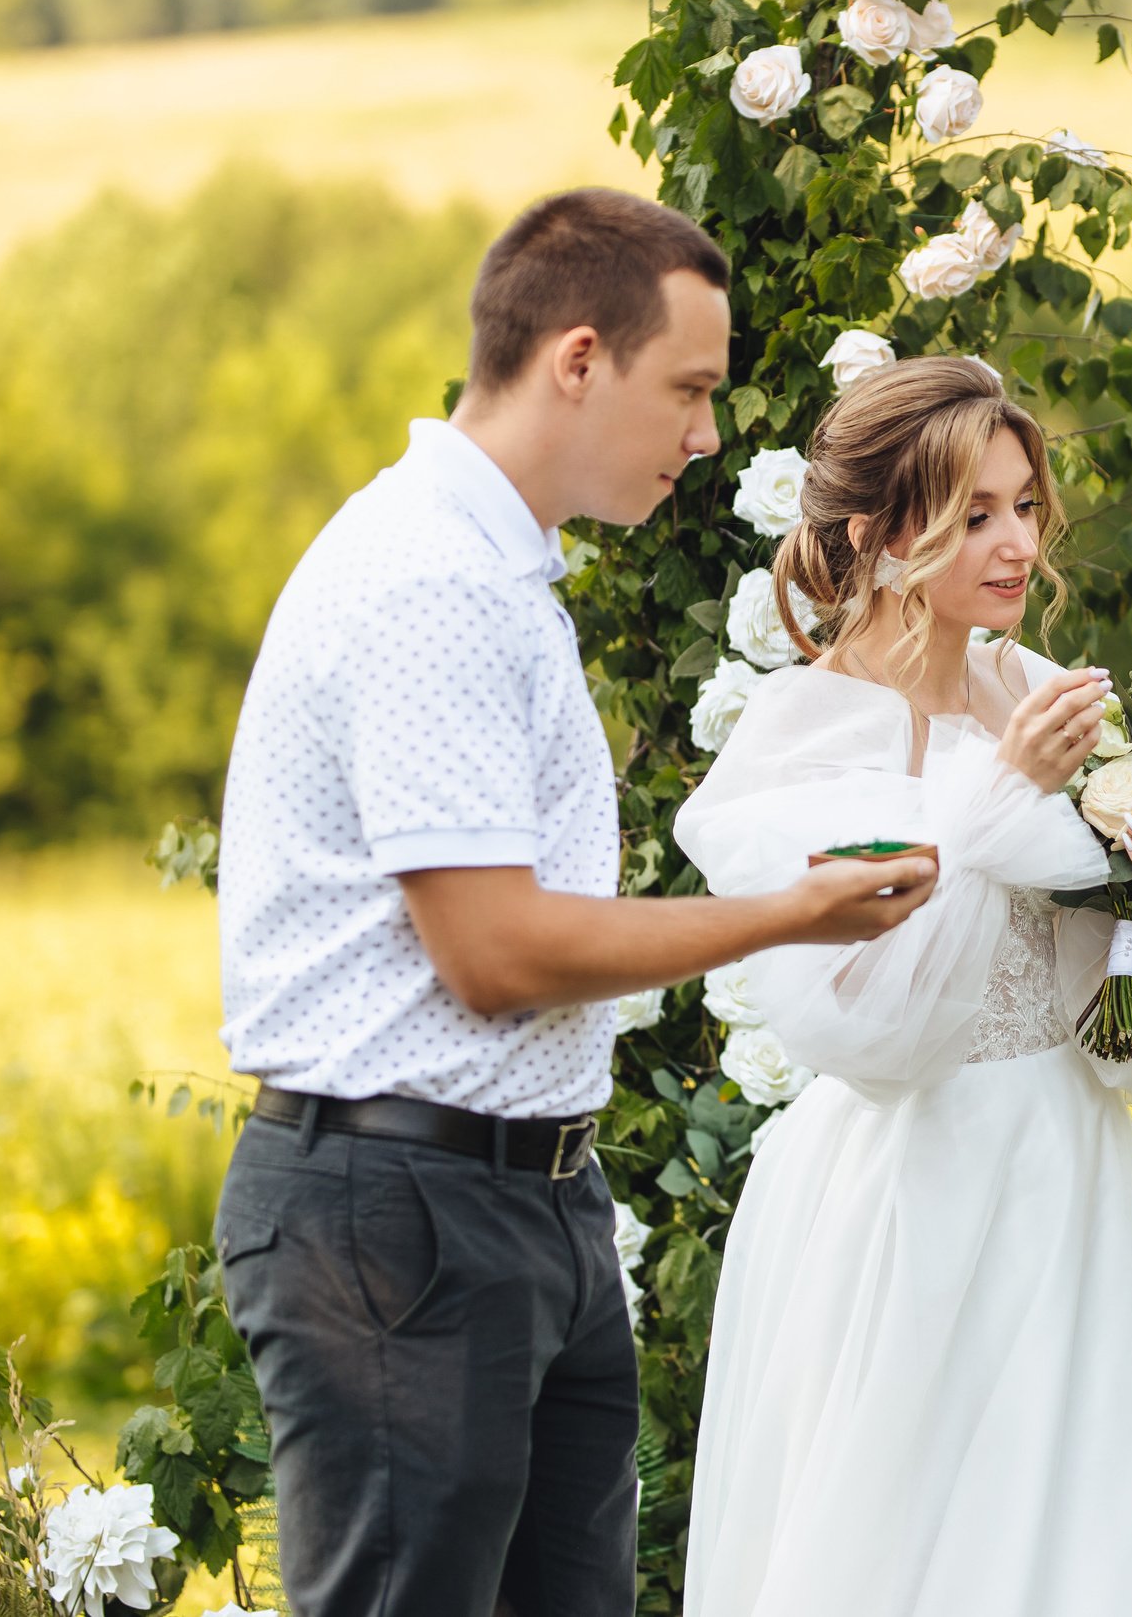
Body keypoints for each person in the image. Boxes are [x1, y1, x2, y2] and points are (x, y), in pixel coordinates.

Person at [210, 187, 937, 1617]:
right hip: (401, 1218)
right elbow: (496, 950)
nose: (709, 434)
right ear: (580, 358)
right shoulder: (432, 581)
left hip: (521, 1199)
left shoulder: (492, 571)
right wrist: (793, 909)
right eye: (692, 388)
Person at [674, 356, 1132, 1617]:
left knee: (1116, 1535)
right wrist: (999, 795)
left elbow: (1109, 1027)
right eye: (974, 515)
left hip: (1073, 1178)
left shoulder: (1034, 692)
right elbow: (877, 1035)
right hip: (910, 1191)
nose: (1017, 543)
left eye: (1025, 505)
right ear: (877, 533)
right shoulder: (807, 730)